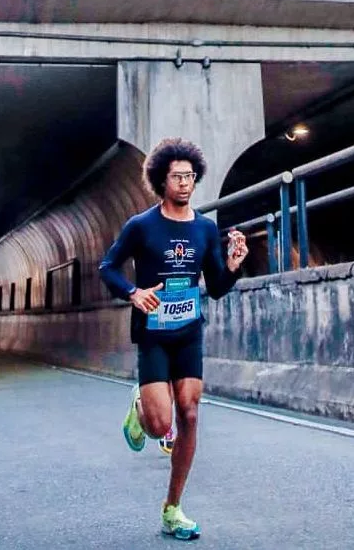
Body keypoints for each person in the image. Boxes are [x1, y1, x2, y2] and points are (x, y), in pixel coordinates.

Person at [99, 138, 248, 541]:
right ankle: (141, 406)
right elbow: (107, 266)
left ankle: (173, 508)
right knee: (160, 423)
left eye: (190, 176)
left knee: (190, 414)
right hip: (152, 333)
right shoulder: (141, 226)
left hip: (188, 333)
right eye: (177, 176)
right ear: (161, 181)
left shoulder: (205, 229)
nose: (184, 183)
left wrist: (232, 266)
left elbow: (215, 286)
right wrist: (133, 292)